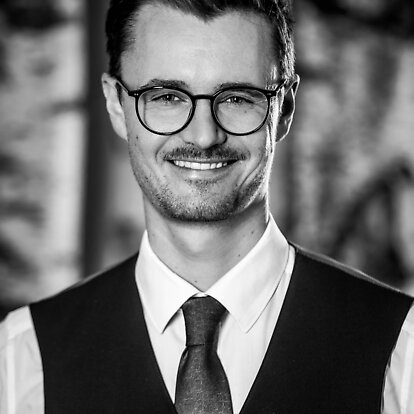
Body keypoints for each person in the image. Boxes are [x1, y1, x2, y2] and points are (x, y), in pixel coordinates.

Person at [1, 0, 413, 413]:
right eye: (167, 97)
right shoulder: (23, 358)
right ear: (115, 105)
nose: (203, 136)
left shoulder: (402, 351)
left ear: (284, 108)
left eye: (237, 98)